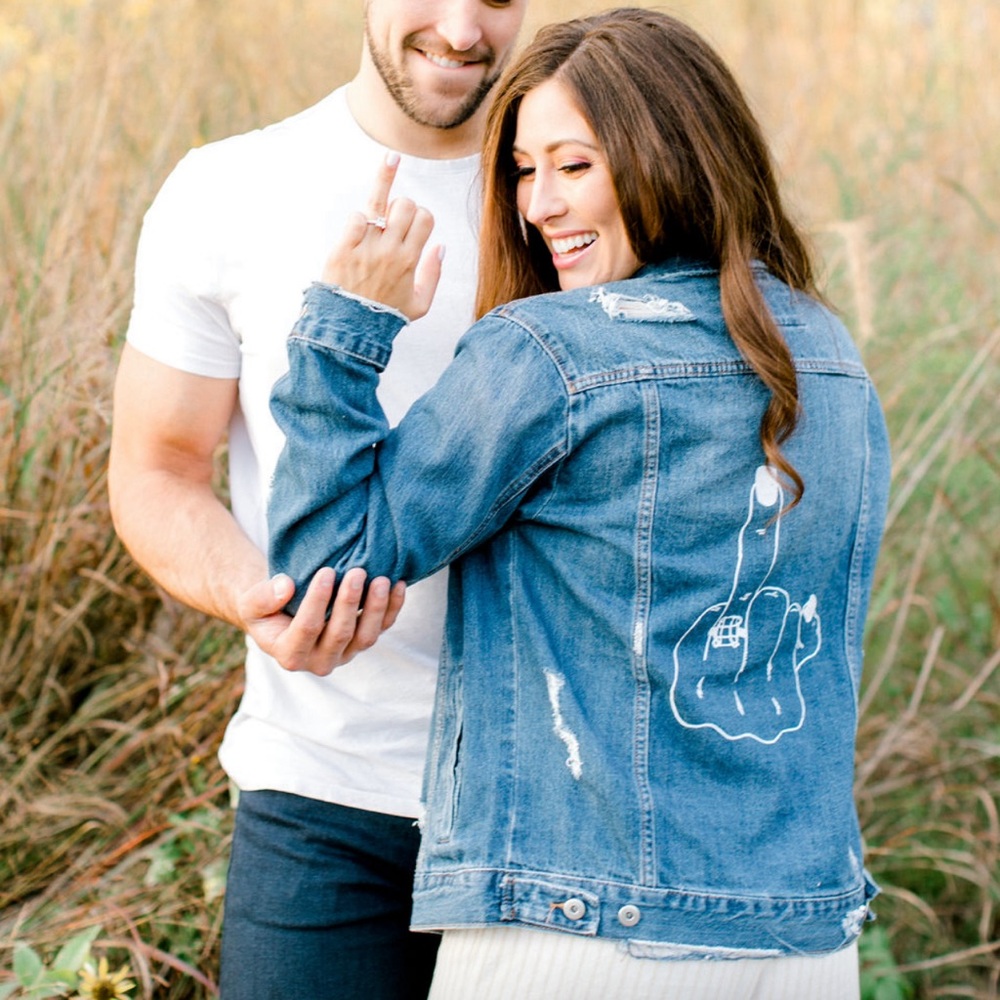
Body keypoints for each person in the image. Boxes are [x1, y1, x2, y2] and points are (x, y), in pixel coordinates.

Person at [266, 8, 891, 999]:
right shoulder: (827, 355)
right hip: (806, 940)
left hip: (581, 930)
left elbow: (321, 572)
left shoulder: (549, 354)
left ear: (667, 155)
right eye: (522, 169)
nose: (536, 205)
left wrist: (348, 320)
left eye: (574, 164)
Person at [107, 1, 528, 997]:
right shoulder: (229, 188)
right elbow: (157, 466)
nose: (465, 29)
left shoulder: (573, 193)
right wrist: (251, 590)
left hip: (547, 810)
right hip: (320, 800)